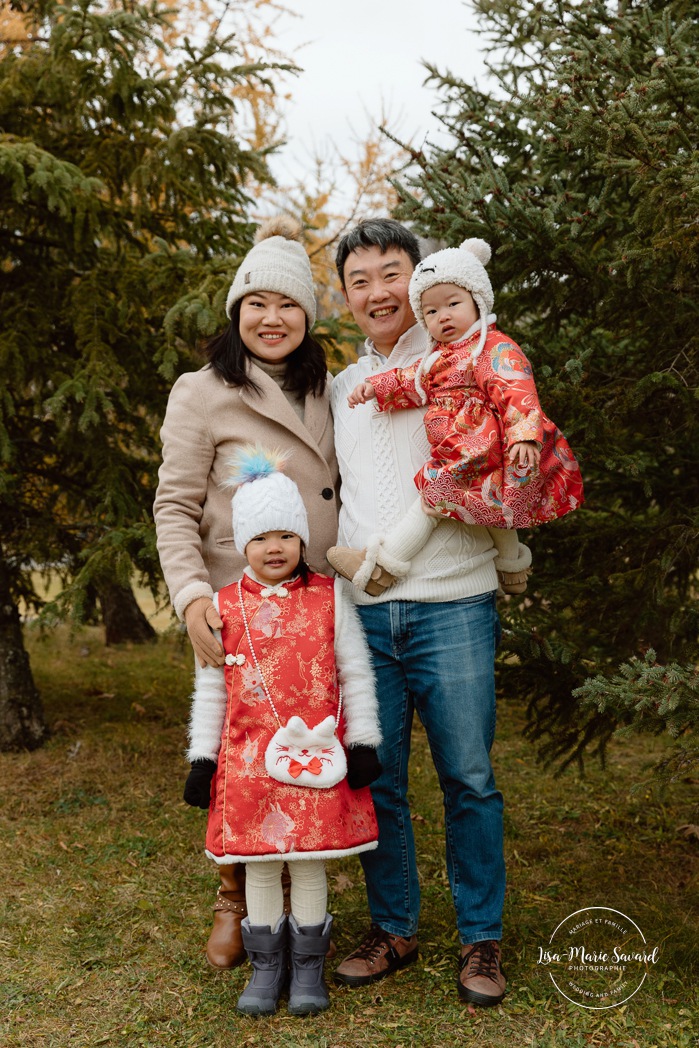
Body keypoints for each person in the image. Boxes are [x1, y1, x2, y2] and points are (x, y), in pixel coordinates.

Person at [329, 219, 531, 1008]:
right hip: (365, 611)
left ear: (418, 281)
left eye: (391, 275)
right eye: (359, 281)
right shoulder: (345, 388)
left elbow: (495, 455)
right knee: (378, 779)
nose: (377, 292)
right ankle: (394, 928)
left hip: (453, 603)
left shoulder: (467, 360)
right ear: (345, 297)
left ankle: (481, 941)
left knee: (469, 777)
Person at [153, 217, 339, 970]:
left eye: (288, 304)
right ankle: (236, 897)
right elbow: (173, 504)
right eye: (257, 303)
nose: (272, 318)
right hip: (234, 604)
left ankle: (302, 892)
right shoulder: (202, 393)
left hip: (318, 604)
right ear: (237, 313)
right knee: (239, 755)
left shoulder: (329, 388)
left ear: (307, 316)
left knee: (306, 744)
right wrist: (192, 593)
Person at [182, 446, 382, 1016]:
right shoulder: (222, 607)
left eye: (287, 536)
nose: (275, 548)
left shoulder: (329, 598)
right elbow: (211, 690)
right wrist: (203, 758)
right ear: (241, 543)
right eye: (261, 537)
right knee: (262, 863)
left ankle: (309, 968)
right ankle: (268, 970)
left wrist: (364, 740)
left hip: (315, 758)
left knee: (310, 861)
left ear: (300, 539)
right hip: (247, 761)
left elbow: (355, 673)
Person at [328, 237, 583, 593]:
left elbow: (517, 387)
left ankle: (382, 568)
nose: (443, 316)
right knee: (491, 502)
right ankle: (512, 568)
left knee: (435, 496)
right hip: (462, 446)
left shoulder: (492, 347)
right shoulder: (438, 358)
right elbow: (413, 381)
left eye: (453, 304)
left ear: (477, 302)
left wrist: (524, 433)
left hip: (481, 447)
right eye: (431, 312)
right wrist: (376, 388)